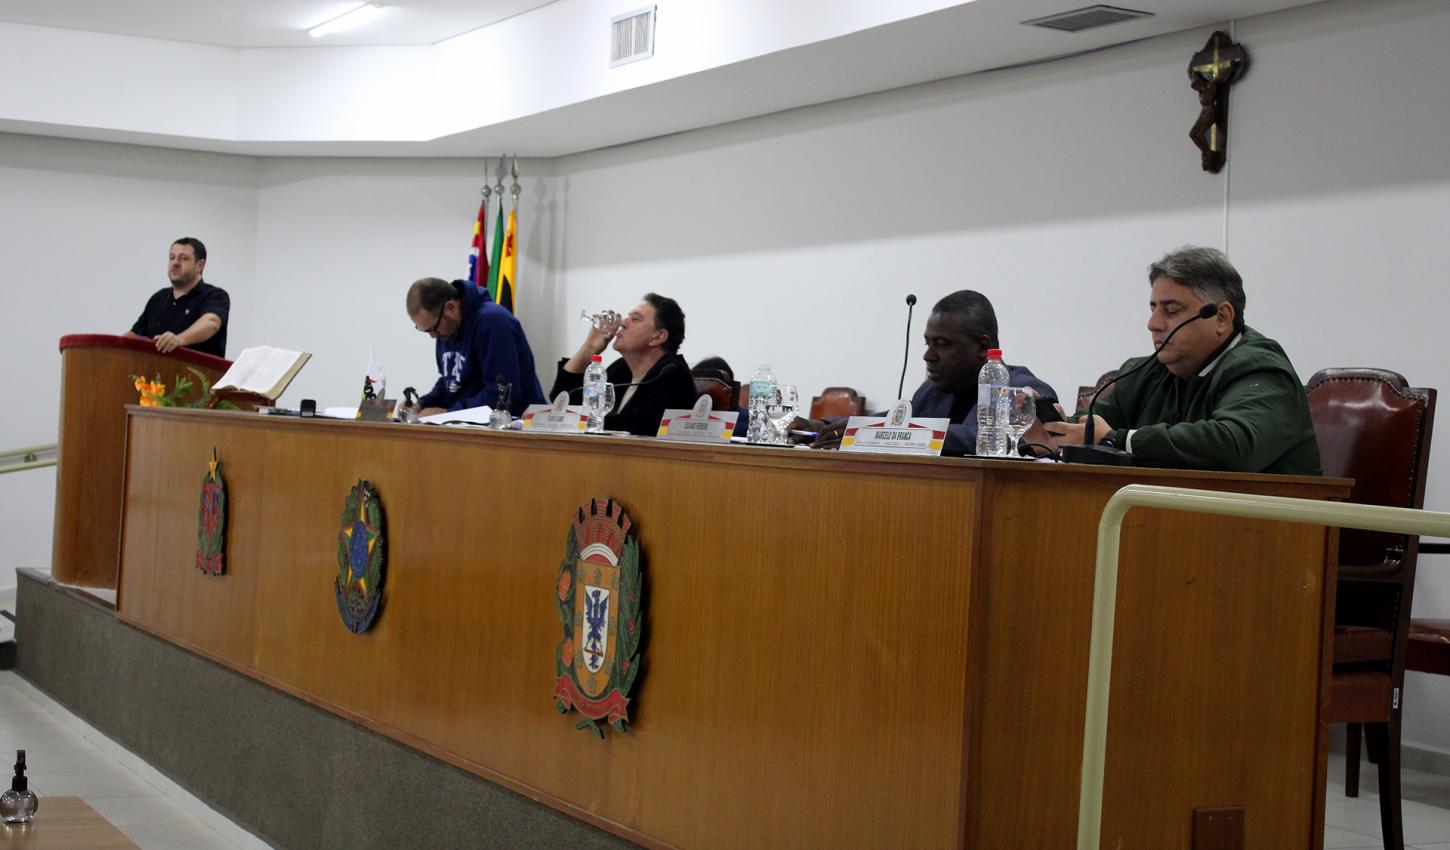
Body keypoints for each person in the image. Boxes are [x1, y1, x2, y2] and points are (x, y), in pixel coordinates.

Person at [1043, 246, 1321, 475]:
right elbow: (1092, 426)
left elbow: (1233, 445)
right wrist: (1050, 431)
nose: (1153, 324)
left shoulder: (1262, 370)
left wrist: (1118, 439)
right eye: (1153, 309)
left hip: (1262, 520)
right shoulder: (1148, 370)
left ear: (1222, 317)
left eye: (1171, 310)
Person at [801, 290, 1057, 455]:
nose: (928, 355)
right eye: (928, 343)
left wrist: (898, 436)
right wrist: (821, 426)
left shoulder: (1023, 391)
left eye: (942, 344)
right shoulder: (933, 391)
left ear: (982, 347)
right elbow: (893, 421)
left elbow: (990, 440)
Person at [551, 294, 697, 436]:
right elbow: (561, 403)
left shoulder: (673, 375)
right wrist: (589, 347)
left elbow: (637, 427)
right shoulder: (622, 369)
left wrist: (578, 420)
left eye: (635, 319)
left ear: (658, 337)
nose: (622, 323)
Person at [404, 277, 544, 418]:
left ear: (451, 307)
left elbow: (502, 393)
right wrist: (421, 404)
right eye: (426, 330)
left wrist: (449, 413)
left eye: (433, 329)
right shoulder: (446, 329)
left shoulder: (493, 324)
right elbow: (450, 383)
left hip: (514, 424)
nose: (433, 336)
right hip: (470, 423)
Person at [127, 238, 229, 357]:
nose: (175, 263)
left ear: (200, 265)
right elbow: (133, 335)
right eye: (172, 257)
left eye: (183, 258)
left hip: (195, 368)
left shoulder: (214, 295)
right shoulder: (158, 298)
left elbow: (212, 322)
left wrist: (179, 340)